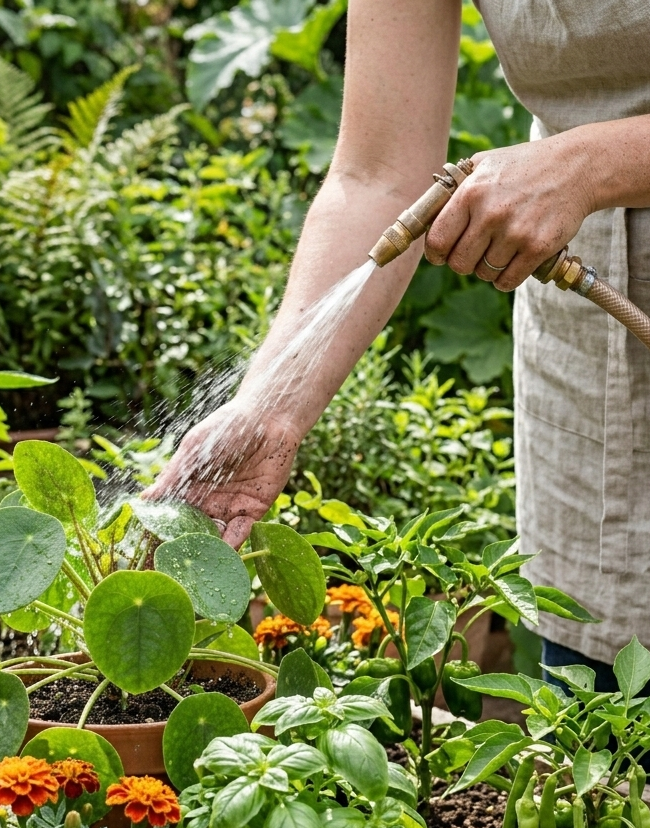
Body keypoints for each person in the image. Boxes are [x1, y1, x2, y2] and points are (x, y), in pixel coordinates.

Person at [146, 0, 650, 688]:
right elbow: (378, 176)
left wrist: (591, 164)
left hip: (577, 211)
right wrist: (270, 410)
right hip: (588, 369)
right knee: (604, 702)